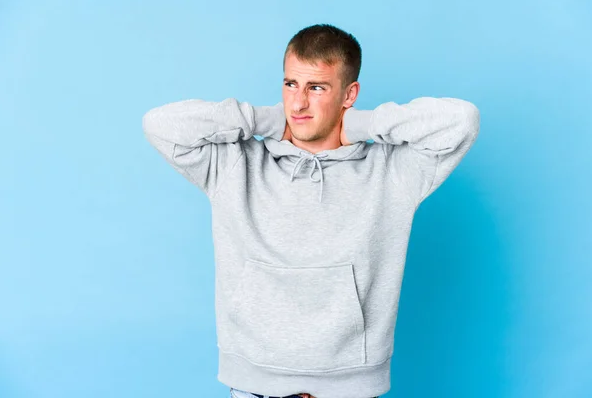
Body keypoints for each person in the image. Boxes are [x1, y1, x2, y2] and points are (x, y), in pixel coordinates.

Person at [142, 23, 480, 398]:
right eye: (291, 85)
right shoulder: (235, 164)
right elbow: (160, 125)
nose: (298, 103)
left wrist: (361, 124)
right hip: (253, 382)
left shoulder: (393, 171)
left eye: (316, 87)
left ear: (349, 94)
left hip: (350, 384)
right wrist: (264, 120)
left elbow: (461, 120)